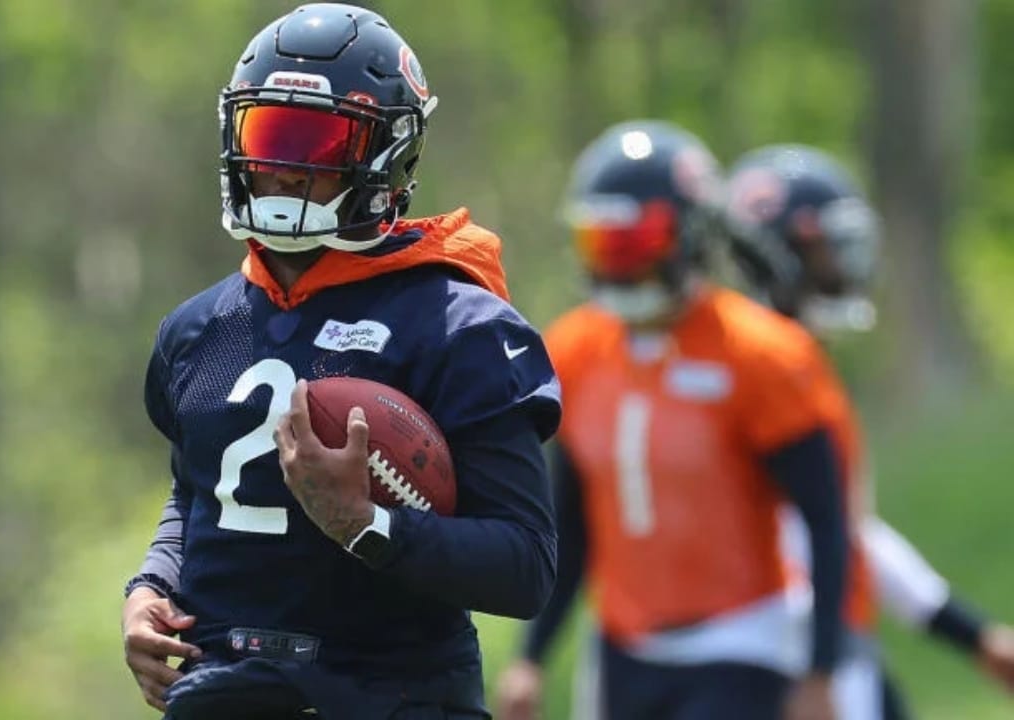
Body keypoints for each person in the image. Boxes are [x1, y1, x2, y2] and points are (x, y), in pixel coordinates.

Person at [119, 5, 562, 719]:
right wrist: (150, 588)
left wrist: (367, 526)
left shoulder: (459, 328)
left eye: (318, 142)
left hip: (391, 697)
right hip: (224, 691)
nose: (284, 169)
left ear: (386, 153)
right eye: (269, 136)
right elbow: (196, 495)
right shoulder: (198, 329)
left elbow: (525, 566)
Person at [495, 120, 850, 720]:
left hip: (742, 639)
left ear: (692, 234)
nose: (618, 262)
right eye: (603, 242)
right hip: (623, 646)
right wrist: (532, 657)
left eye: (635, 242)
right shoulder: (574, 351)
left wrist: (821, 669)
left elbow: (826, 521)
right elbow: (571, 523)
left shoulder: (762, 354)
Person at [724, 144, 1014, 719]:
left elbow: (845, 530)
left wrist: (969, 634)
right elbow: (810, 538)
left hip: (815, 646)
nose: (842, 267)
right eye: (824, 248)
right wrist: (821, 667)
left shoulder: (789, 367)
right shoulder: (753, 377)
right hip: (784, 657)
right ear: (775, 256)